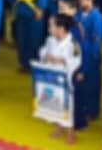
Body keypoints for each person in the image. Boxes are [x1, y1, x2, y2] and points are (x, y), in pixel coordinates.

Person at [39, 13, 81, 145]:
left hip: (65, 79)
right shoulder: (50, 40)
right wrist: (46, 56)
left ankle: (71, 132)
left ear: (61, 29)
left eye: (51, 26)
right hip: (51, 78)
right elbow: (42, 51)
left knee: (68, 105)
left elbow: (76, 61)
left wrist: (63, 61)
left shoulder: (72, 44)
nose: (49, 29)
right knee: (55, 104)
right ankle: (59, 126)